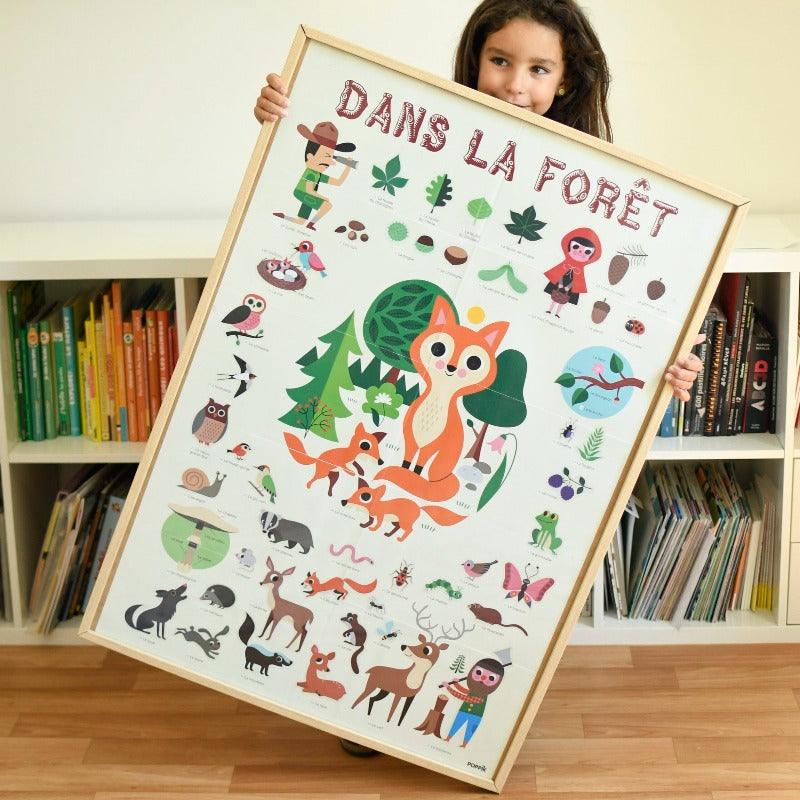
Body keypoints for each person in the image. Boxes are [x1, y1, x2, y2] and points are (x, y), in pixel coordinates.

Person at [253, 0, 703, 755]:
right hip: (421, 392)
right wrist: (285, 114)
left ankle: (451, 699)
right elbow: (341, 185)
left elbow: (625, 326)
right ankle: (361, 698)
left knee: (457, 540)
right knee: (384, 519)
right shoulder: (427, 137)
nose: (515, 84)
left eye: (538, 68)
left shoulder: (608, 191)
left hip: (490, 417)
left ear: (566, 80)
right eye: (500, 60)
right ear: (474, 60)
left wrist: (671, 365)